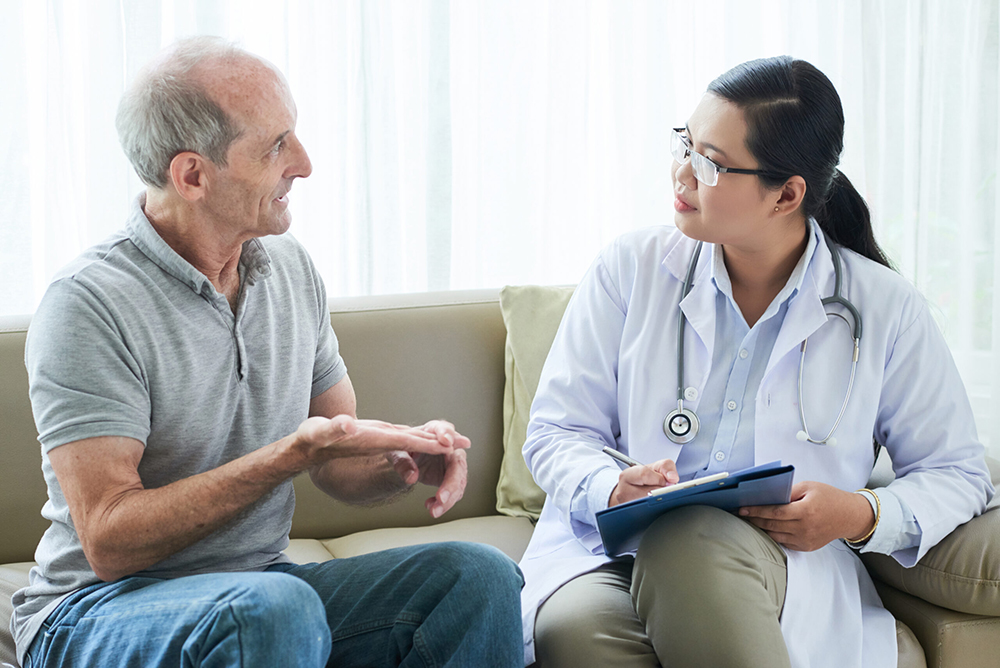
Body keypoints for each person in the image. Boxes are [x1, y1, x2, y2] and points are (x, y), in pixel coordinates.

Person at [12, 36, 523, 668]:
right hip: (97, 610)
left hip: (260, 590)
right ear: (192, 174)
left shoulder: (289, 269)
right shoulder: (87, 305)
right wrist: (287, 454)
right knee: (271, 609)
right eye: (276, 145)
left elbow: (335, 463)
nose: (304, 164)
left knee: (476, 577)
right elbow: (110, 540)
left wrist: (398, 459)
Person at [517, 56, 994, 668]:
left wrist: (862, 513)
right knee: (578, 633)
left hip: (780, 565)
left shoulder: (883, 308)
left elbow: (956, 471)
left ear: (787, 194)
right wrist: (609, 485)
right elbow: (557, 430)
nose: (682, 173)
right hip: (610, 554)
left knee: (688, 541)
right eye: (685, 145)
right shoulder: (628, 271)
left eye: (711, 163)